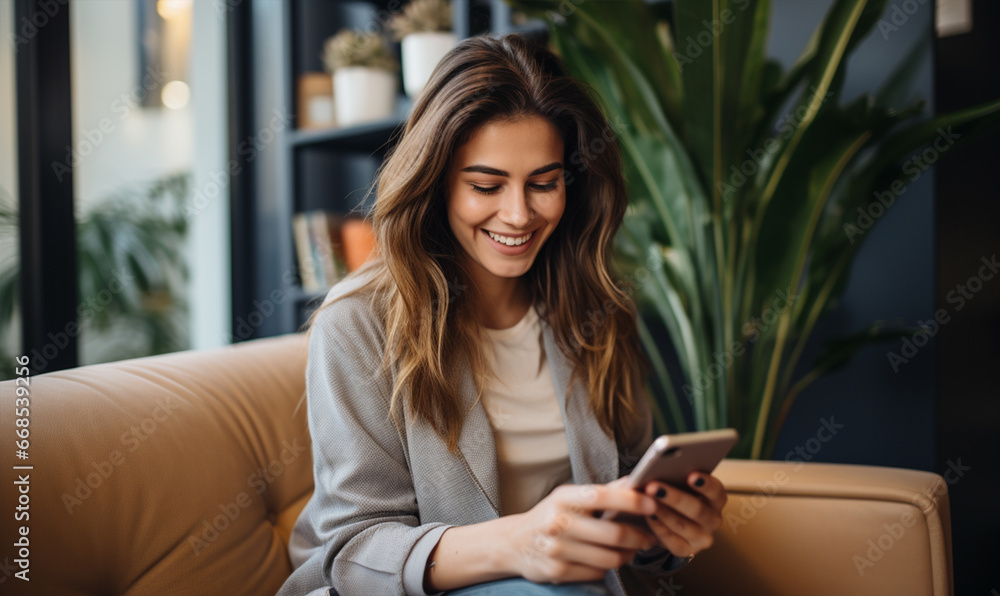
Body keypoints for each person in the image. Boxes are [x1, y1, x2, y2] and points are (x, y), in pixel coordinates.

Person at [277, 33, 727, 596]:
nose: (518, 215)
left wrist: (665, 528)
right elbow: (356, 552)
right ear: (435, 181)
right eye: (486, 185)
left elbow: (623, 496)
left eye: (544, 183)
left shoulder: (598, 312)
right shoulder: (358, 324)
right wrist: (520, 543)